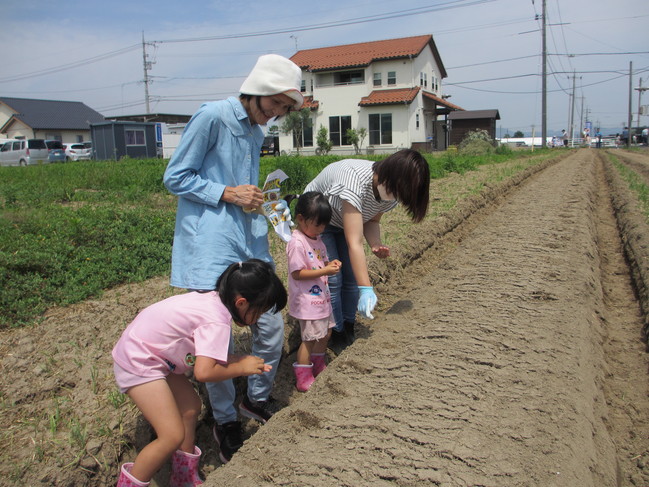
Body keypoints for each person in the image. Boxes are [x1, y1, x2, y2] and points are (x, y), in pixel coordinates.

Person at [162, 53, 303, 463]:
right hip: (212, 243)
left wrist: (264, 202)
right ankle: (224, 420)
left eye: (284, 109)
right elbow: (175, 176)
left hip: (249, 237)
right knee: (215, 337)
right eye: (275, 104)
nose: (276, 114)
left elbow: (246, 187)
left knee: (272, 322)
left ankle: (255, 400)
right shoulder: (212, 117)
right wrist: (227, 192)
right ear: (257, 90)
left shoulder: (257, 131)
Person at [112, 260, 287, 487]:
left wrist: (240, 360)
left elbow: (209, 357)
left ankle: (183, 476)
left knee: (191, 407)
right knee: (171, 435)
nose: (260, 317)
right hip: (139, 360)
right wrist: (242, 367)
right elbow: (204, 372)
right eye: (260, 311)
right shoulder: (216, 321)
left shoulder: (213, 301)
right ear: (242, 303)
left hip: (153, 354)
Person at [304, 149, 430, 350]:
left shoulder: (389, 191)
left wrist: (376, 243)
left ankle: (348, 327)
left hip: (345, 220)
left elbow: (371, 220)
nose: (397, 198)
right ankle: (336, 333)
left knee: (352, 278)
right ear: (390, 176)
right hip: (319, 220)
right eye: (398, 192)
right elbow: (354, 241)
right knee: (334, 279)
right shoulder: (354, 181)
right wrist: (366, 288)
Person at [286, 192, 341, 391]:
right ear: (301, 219)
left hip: (321, 298)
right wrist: (325, 270)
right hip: (308, 300)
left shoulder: (317, 239)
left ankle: (318, 365)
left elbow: (320, 262)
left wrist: (329, 264)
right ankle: (303, 375)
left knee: (325, 333)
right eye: (318, 224)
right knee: (309, 339)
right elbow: (298, 273)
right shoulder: (297, 242)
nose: (322, 229)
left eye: (324, 225)